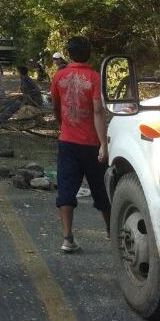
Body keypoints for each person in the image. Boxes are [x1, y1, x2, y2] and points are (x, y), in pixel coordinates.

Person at [50, 36, 111, 252]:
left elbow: (57, 108)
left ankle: (67, 239)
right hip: (91, 144)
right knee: (101, 190)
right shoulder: (94, 77)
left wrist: (62, 126)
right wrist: (103, 144)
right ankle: (112, 233)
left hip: (67, 142)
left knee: (66, 189)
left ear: (69, 54)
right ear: (89, 54)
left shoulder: (60, 76)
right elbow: (97, 110)